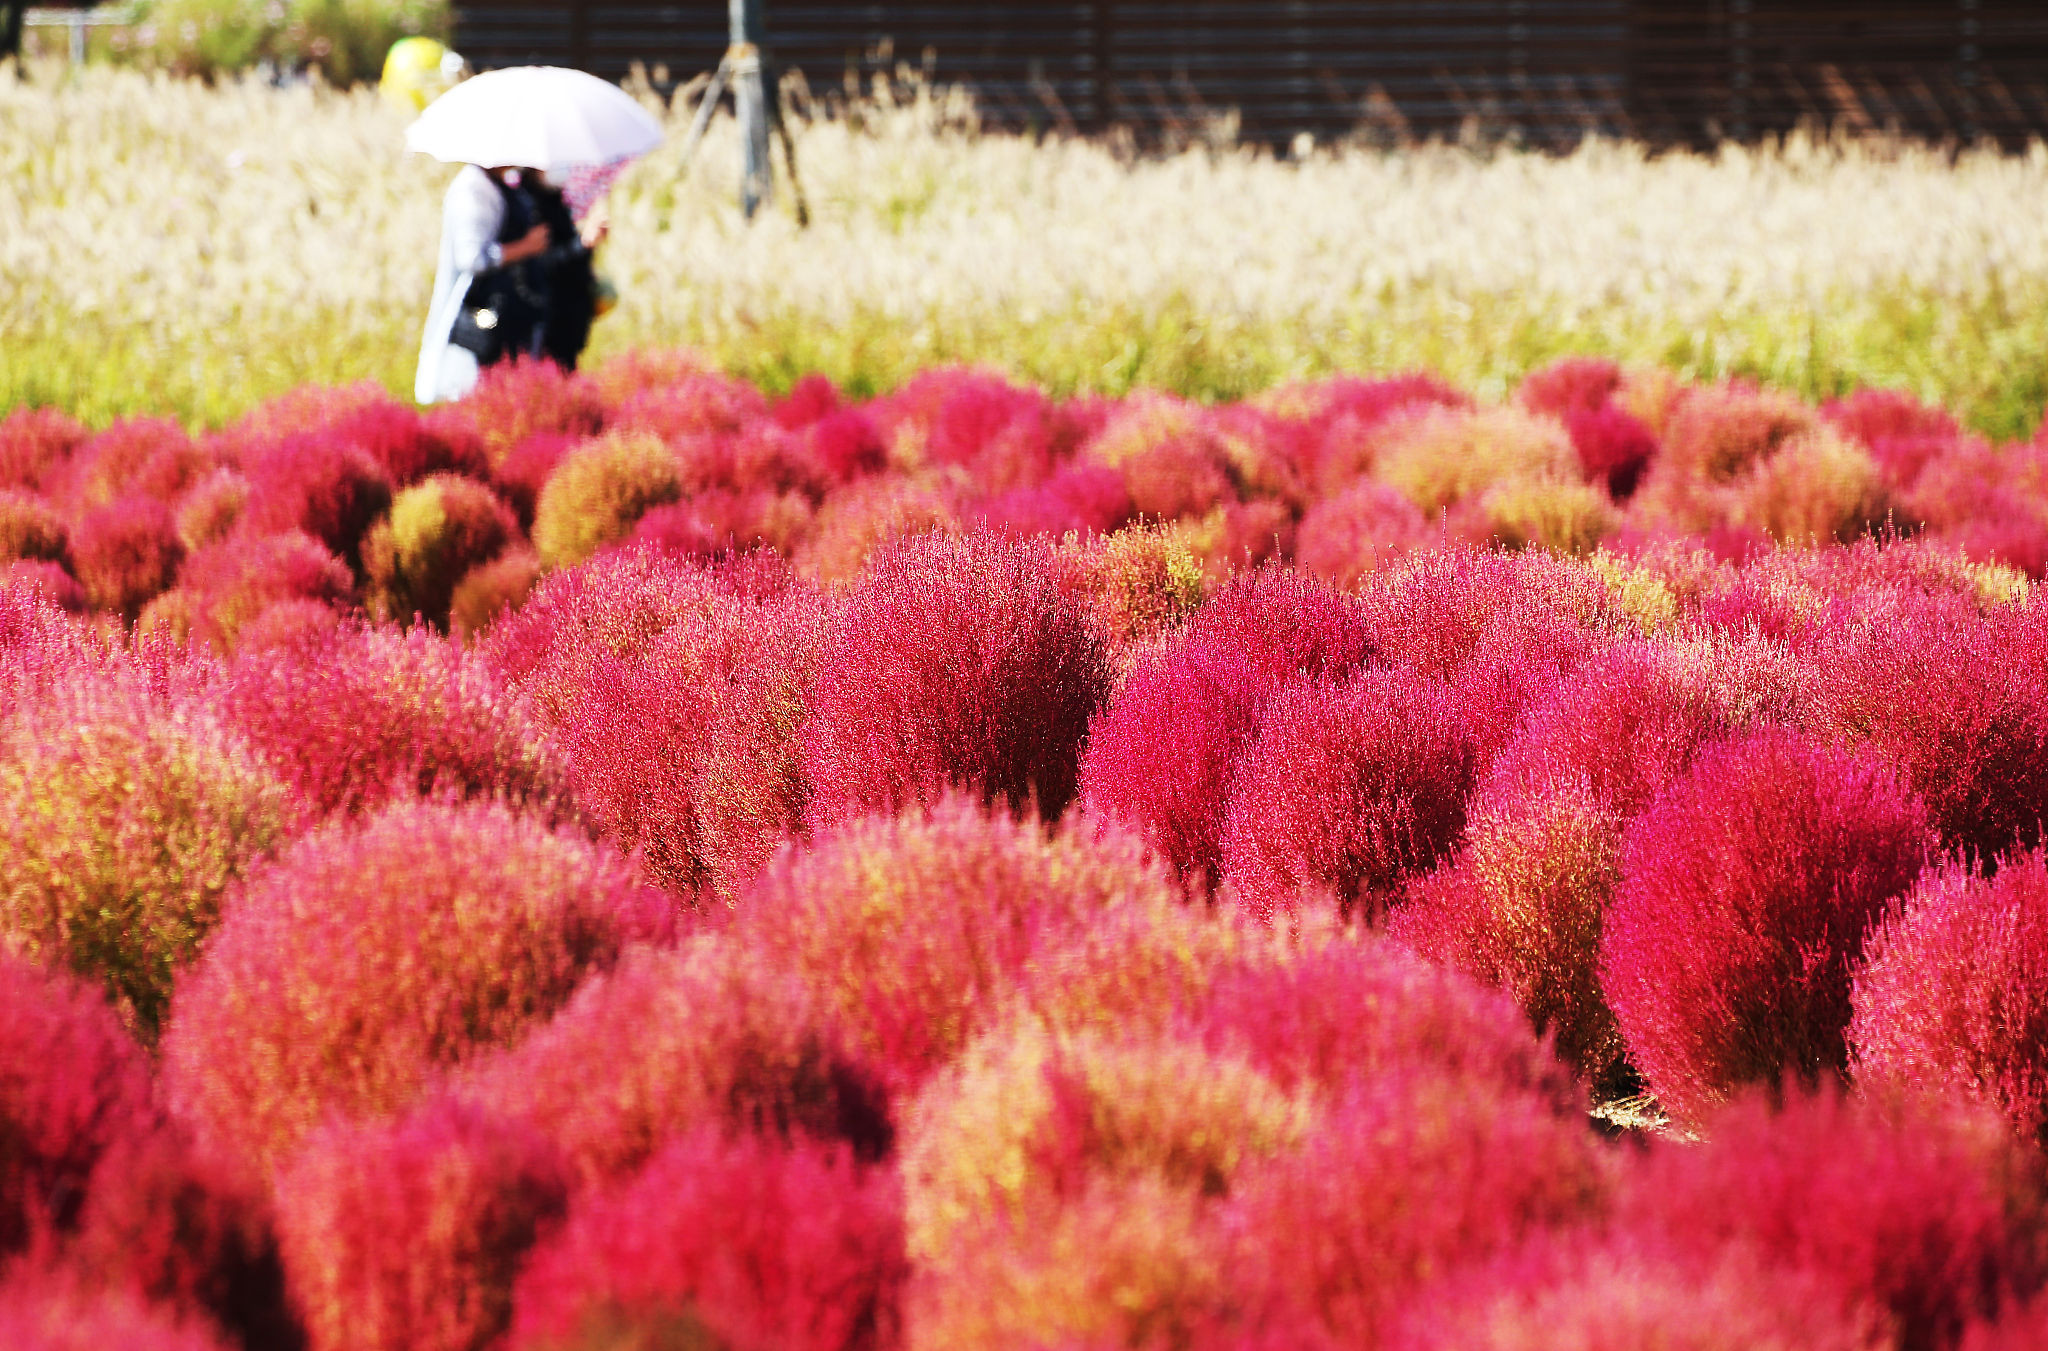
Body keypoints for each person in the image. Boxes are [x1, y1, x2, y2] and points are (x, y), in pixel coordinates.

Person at [414, 165, 606, 405]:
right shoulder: (475, 189)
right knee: (488, 396)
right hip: (489, 319)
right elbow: (473, 258)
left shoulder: (510, 189)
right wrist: (527, 246)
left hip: (525, 319)